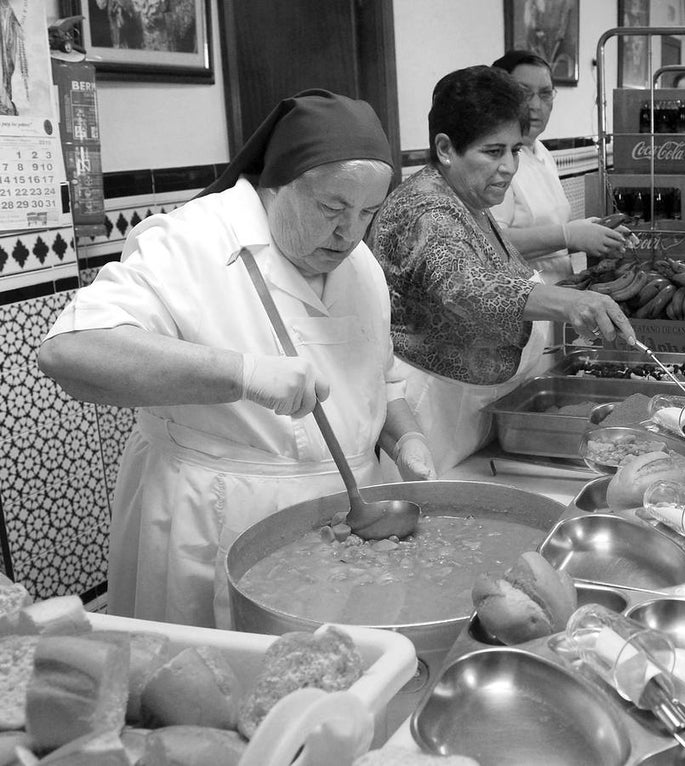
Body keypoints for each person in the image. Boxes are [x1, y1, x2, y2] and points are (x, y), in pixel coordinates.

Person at [37, 90, 436, 629]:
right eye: (331, 209)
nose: (349, 234)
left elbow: (380, 378)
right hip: (217, 519)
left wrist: (404, 439)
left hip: (348, 522)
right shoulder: (191, 242)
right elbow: (70, 351)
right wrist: (242, 373)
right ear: (274, 183)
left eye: (368, 212)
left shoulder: (360, 263)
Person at [371, 66, 636, 473]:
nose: (510, 166)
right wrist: (568, 302)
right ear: (445, 148)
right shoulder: (425, 207)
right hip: (431, 417)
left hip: (474, 408)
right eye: (493, 152)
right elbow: (462, 286)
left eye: (514, 150)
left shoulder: (470, 200)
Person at [490, 50, 629, 284]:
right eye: (524, 93)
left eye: (545, 94)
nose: (535, 105)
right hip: (519, 300)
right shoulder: (494, 161)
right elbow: (491, 244)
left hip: (557, 295)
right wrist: (569, 236)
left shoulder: (542, 152)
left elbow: (550, 244)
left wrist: (595, 235)